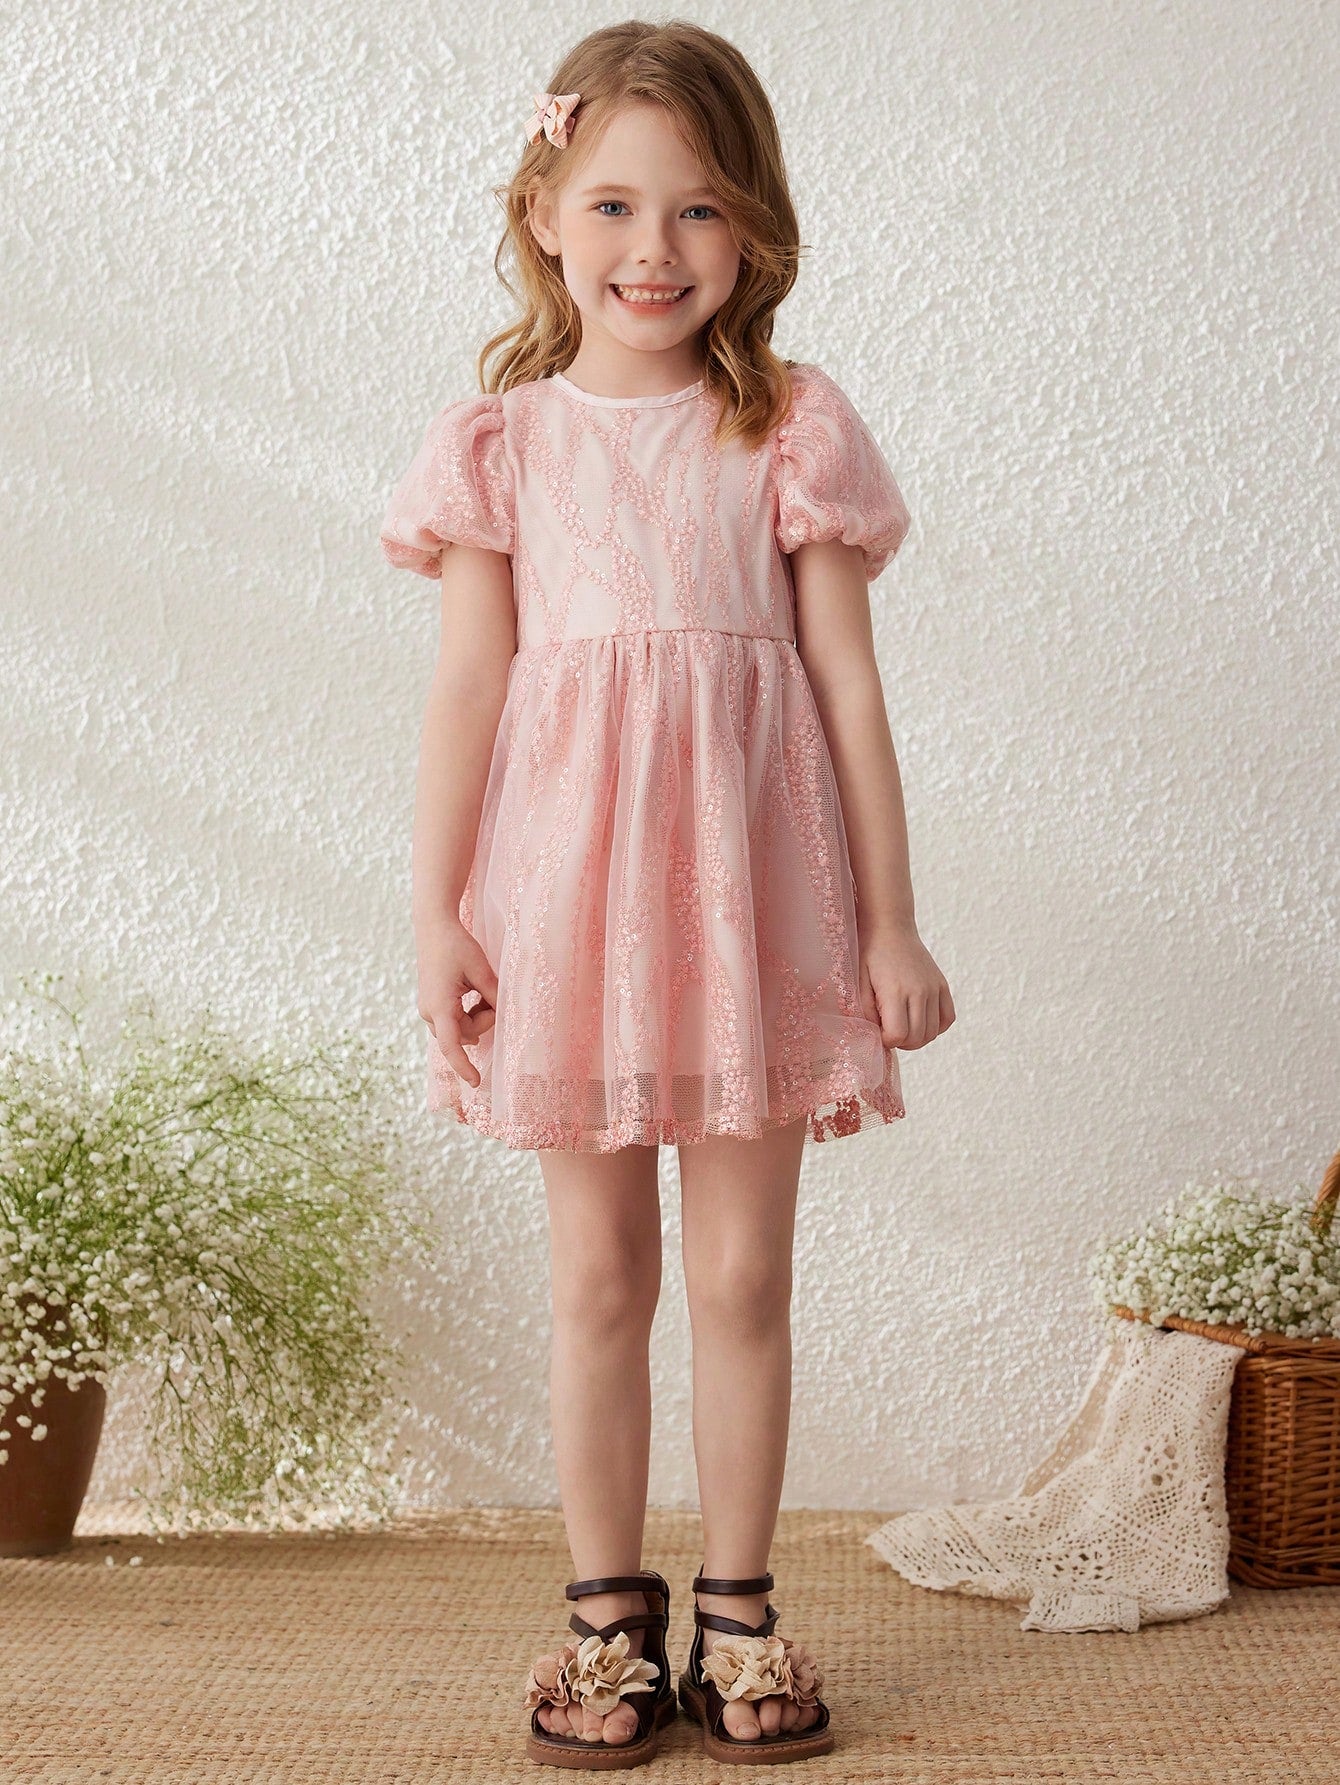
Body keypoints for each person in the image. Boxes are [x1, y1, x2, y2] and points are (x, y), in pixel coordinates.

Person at [378, 19, 954, 1767]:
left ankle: (741, 1615)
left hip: (759, 909)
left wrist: (891, 920)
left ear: (753, 227)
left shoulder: (789, 426)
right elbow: (468, 689)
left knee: (745, 1275)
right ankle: (604, 1617)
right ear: (543, 214)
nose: (654, 248)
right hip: (567, 912)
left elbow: (849, 688)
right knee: (599, 1276)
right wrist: (437, 909)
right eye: (615, 204)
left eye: (698, 209)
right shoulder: (503, 445)